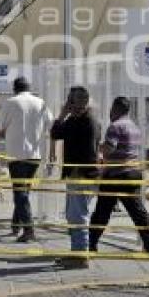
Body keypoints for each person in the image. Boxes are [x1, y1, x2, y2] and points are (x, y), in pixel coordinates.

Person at [89, 97, 149, 254]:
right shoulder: (134, 127)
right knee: (138, 213)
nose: (109, 112)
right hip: (133, 173)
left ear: (115, 109)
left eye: (111, 109)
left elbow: (109, 148)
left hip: (115, 175)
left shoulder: (115, 126)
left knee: (101, 212)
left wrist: (96, 147)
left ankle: (91, 244)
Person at [0, 76, 53, 243]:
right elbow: (51, 126)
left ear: (14, 88)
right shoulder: (41, 103)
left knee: (20, 193)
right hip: (35, 155)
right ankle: (15, 224)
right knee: (23, 191)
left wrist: (4, 136)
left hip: (16, 155)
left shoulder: (10, 103)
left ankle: (29, 230)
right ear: (29, 88)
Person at [50, 86, 102, 269]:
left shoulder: (77, 121)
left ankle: (80, 256)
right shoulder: (93, 121)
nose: (68, 105)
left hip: (79, 174)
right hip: (87, 174)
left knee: (77, 215)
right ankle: (78, 252)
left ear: (74, 103)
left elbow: (55, 133)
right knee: (76, 214)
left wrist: (62, 114)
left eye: (70, 101)